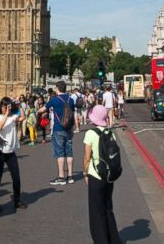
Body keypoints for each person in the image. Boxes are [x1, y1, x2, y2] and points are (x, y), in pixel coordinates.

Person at [84, 105, 121, 244]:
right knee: (108, 208)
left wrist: (86, 174)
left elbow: (87, 158)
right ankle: (114, 239)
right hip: (109, 177)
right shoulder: (110, 133)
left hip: (96, 176)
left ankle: (101, 240)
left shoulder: (91, 134)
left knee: (96, 212)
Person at [0, 98, 28, 212]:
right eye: (4, 106)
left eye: (8, 106)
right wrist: (6, 114)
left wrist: (20, 106)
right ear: (1, 106)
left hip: (11, 152)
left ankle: (16, 200)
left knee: (16, 177)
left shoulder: (13, 117)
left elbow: (23, 117)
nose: (6, 108)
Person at [41, 81, 75, 184]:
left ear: (57, 88)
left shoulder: (54, 100)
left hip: (58, 128)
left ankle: (61, 177)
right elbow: (72, 113)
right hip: (68, 128)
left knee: (59, 153)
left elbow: (43, 109)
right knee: (69, 152)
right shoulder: (71, 99)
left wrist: (39, 111)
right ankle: (70, 176)